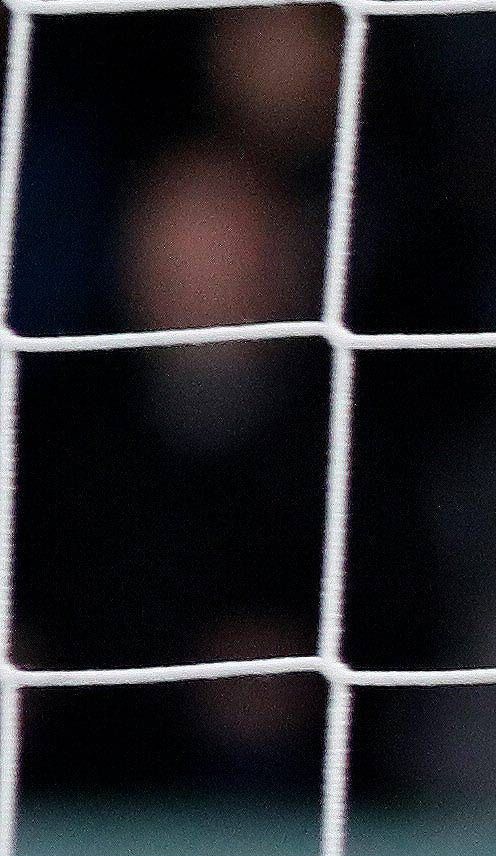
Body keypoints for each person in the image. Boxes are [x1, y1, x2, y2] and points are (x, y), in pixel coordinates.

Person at [19, 134, 340, 802]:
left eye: (222, 234)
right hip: (79, 769)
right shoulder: (59, 419)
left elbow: (400, 613)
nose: (196, 262)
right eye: (175, 233)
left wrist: (287, 669)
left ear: (284, 253)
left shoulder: (345, 427)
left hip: (283, 792)